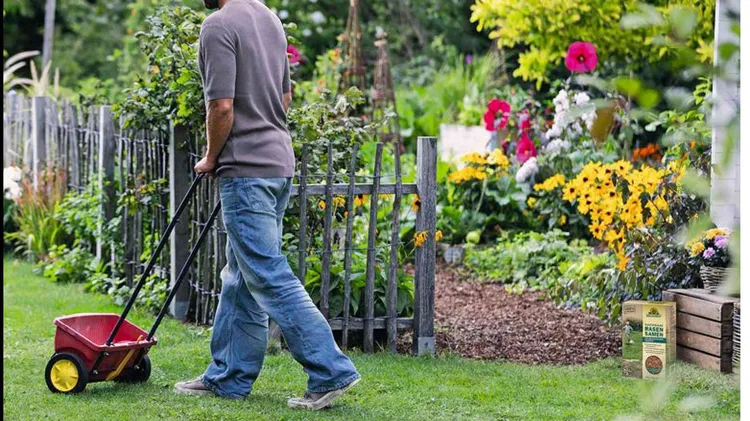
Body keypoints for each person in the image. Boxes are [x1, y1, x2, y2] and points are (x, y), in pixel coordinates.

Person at [174, 0, 360, 410]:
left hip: (246, 169)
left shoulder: (218, 25)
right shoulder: (270, 19)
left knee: (266, 272)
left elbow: (222, 105)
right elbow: (285, 97)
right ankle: (228, 376)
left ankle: (330, 370)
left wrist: (211, 156)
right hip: (277, 163)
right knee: (241, 276)